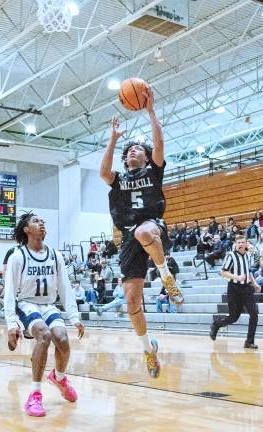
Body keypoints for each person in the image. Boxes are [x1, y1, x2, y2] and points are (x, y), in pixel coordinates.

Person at [100, 88, 183, 378]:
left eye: (138, 149)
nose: (132, 151)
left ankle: (166, 276)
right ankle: (149, 350)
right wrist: (113, 140)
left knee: (144, 232)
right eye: (129, 151)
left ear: (147, 158)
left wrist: (150, 112)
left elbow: (159, 144)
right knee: (132, 301)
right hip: (127, 237)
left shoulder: (154, 170)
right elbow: (103, 172)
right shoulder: (119, 179)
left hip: (151, 226)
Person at [4, 212, 84, 417]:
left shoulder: (55, 255)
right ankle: (35, 395)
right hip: (26, 304)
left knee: (63, 339)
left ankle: (59, 377)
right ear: (26, 229)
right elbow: (10, 292)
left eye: (42, 221)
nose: (41, 224)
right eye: (35, 221)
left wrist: (74, 317)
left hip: (48, 305)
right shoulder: (17, 256)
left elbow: (65, 287)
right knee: (44, 335)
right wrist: (11, 324)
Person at [209, 236, 261, 348]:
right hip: (234, 288)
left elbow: (249, 271)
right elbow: (223, 272)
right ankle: (216, 325)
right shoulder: (231, 255)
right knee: (234, 317)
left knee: (254, 313)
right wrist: (236, 277)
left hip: (247, 288)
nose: (241, 244)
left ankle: (249, 341)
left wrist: (255, 283)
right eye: (239, 243)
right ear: (236, 244)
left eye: (243, 242)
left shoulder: (248, 255)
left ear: (246, 244)